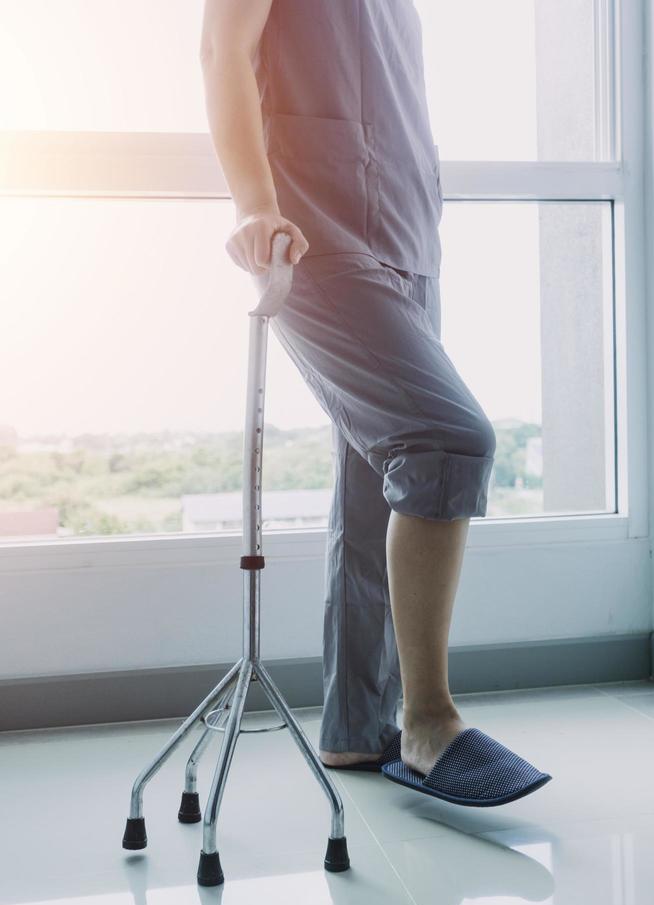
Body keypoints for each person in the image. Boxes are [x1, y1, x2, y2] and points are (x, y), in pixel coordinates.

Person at [199, 0, 551, 805]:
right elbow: (222, 48)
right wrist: (254, 202)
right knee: (444, 439)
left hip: (407, 233)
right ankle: (428, 719)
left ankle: (360, 727)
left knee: (372, 488)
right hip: (312, 230)